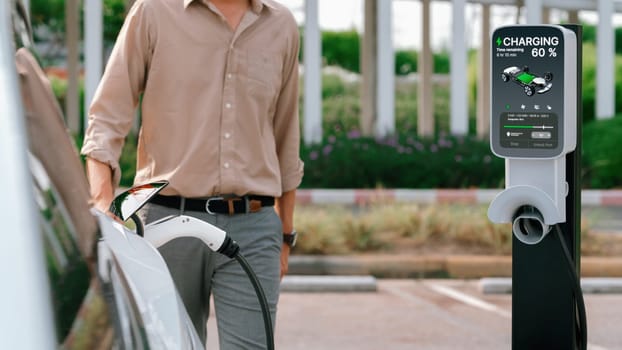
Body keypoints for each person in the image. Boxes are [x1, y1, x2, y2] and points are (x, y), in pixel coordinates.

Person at [80, 0, 303, 347]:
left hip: (253, 226)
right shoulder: (153, 12)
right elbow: (107, 117)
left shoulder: (281, 25)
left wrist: (286, 232)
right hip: (166, 222)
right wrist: (104, 205)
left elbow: (286, 133)